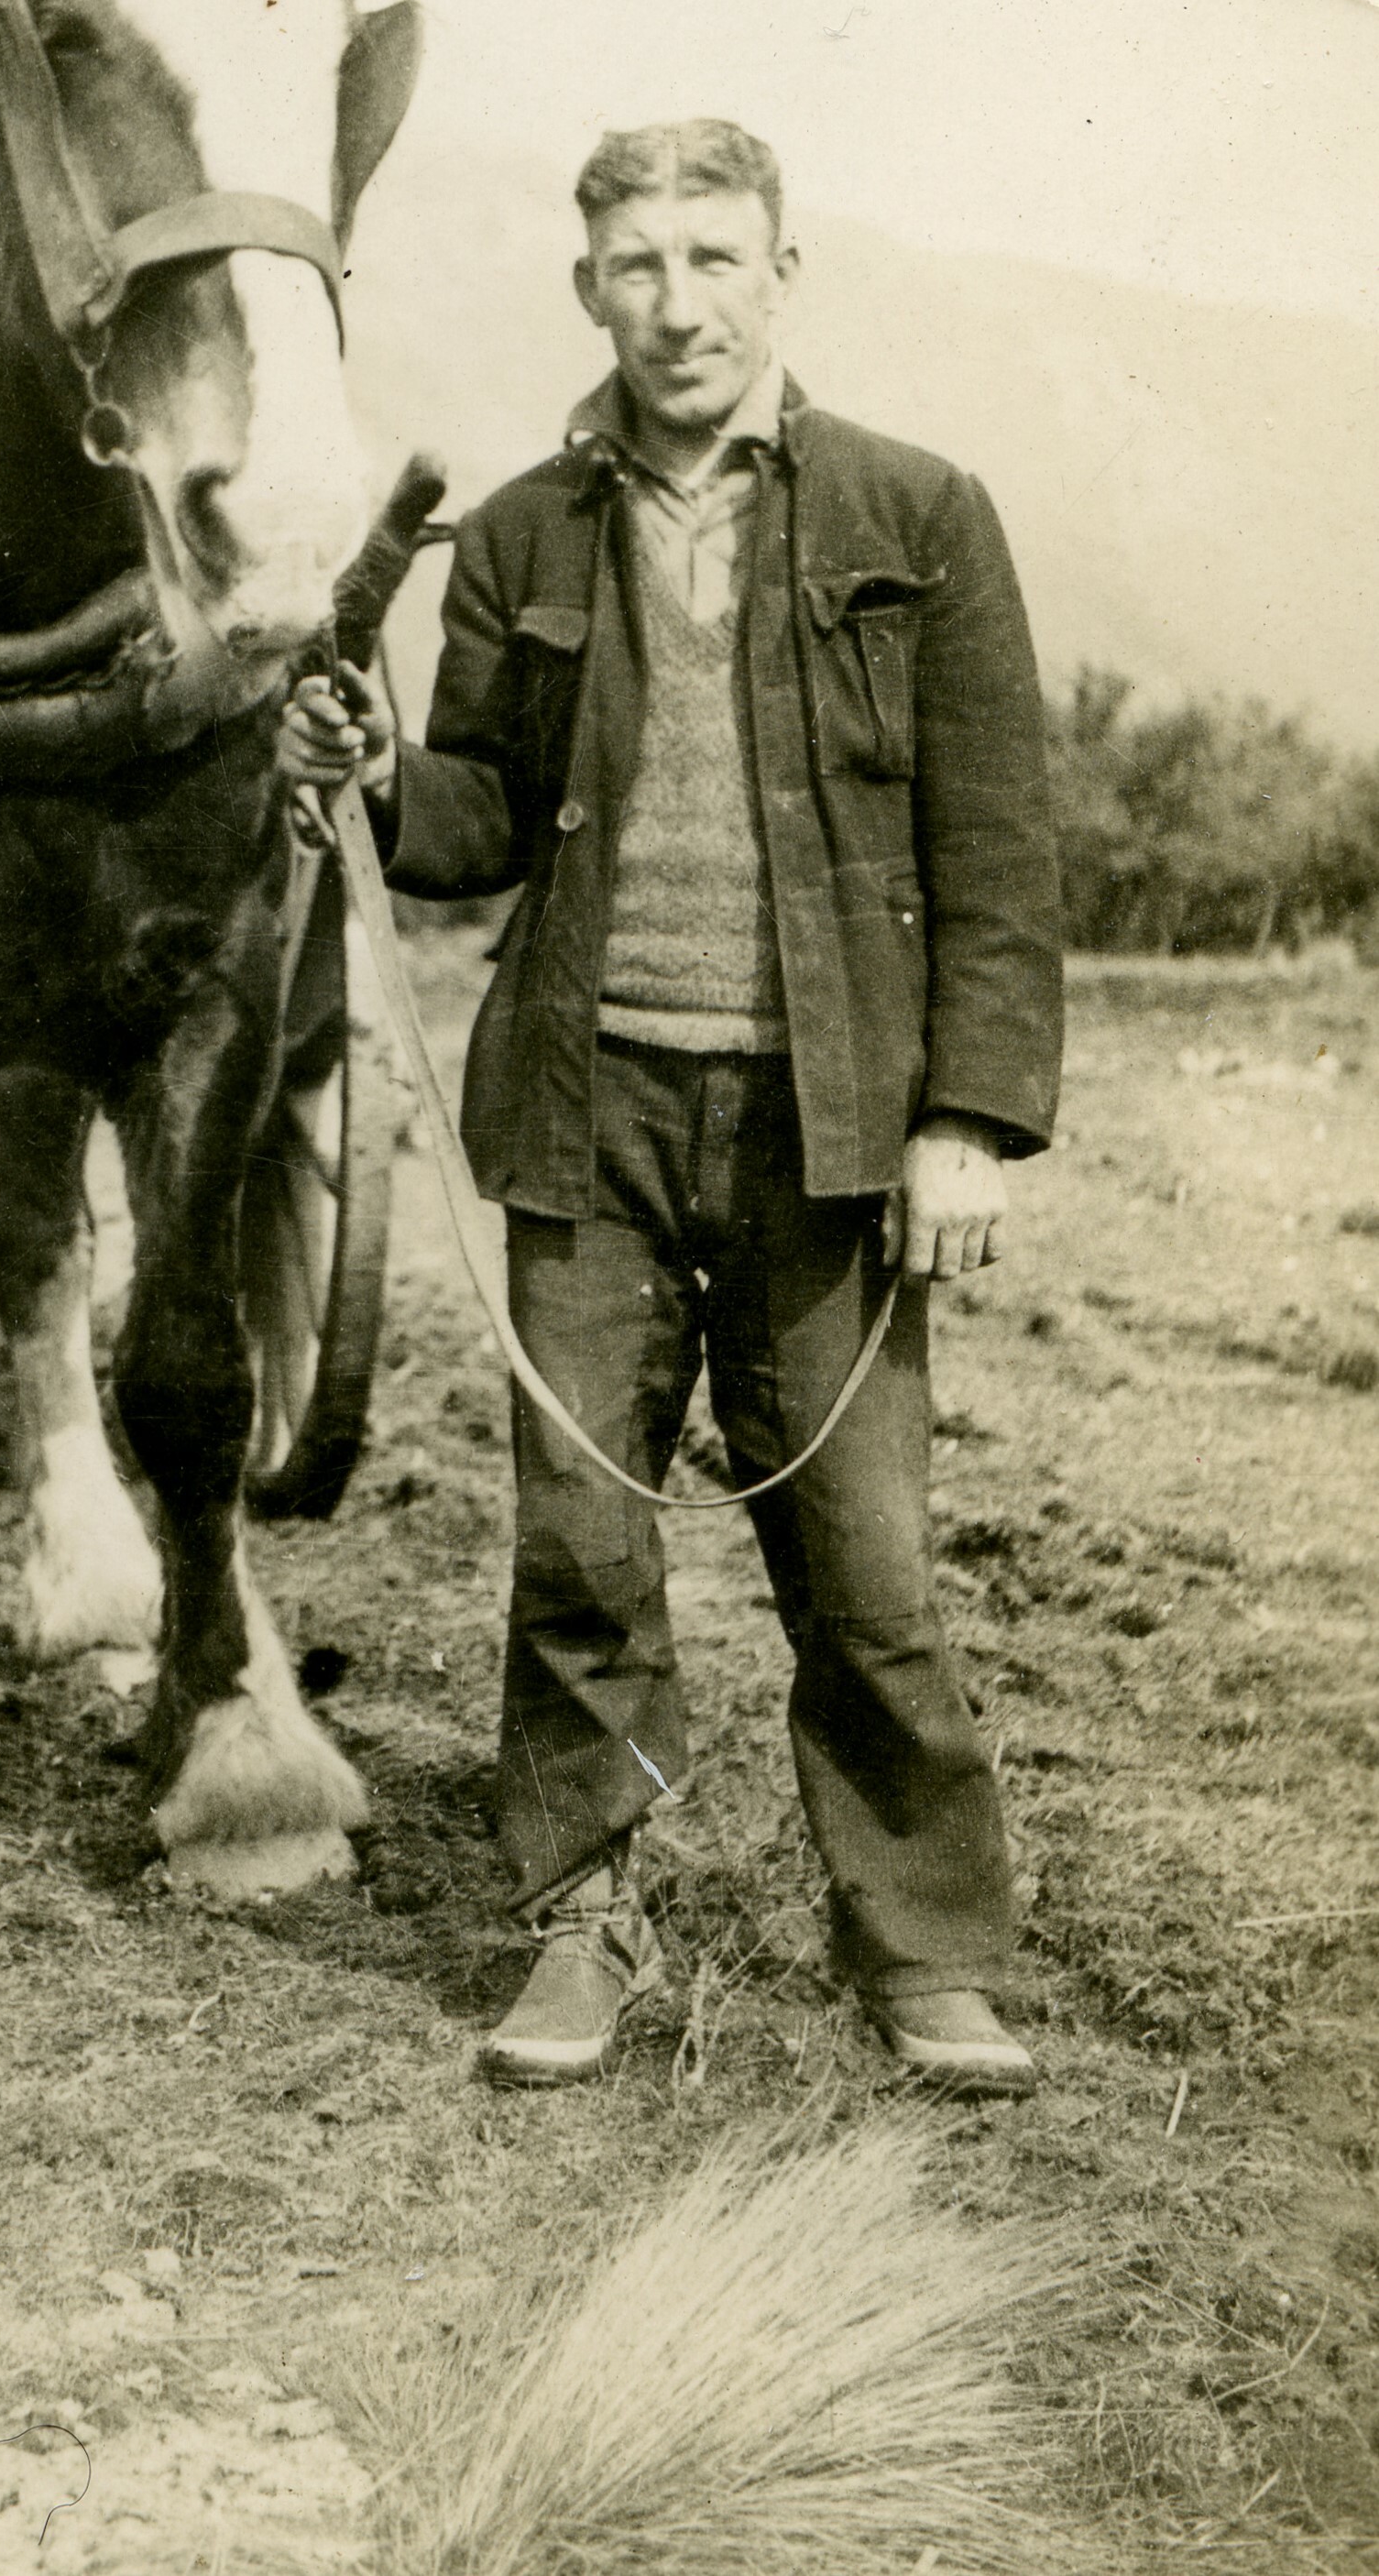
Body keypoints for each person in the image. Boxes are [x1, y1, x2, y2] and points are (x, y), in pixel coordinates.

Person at [279, 119, 1062, 2096]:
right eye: (640, 266)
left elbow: (1000, 850)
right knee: (580, 1547)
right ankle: (581, 1922)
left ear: (785, 266)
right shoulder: (527, 533)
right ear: (589, 289)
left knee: (868, 1566)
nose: (681, 303)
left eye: (719, 258)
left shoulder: (924, 512)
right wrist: (374, 770)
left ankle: (923, 1954)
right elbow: (468, 822)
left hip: (838, 1133)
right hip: (586, 1120)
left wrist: (967, 1118)